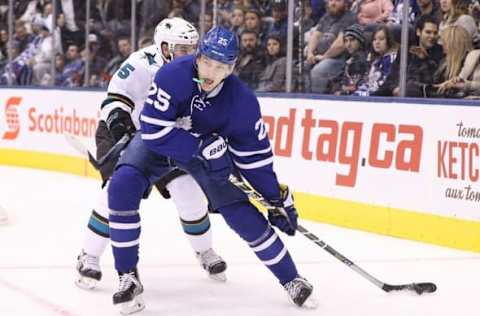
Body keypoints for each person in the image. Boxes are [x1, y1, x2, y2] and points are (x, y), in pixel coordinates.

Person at [107, 25, 317, 314]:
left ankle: (292, 279)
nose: (209, 72)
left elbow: (255, 160)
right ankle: (128, 276)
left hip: (207, 155)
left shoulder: (241, 103)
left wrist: (274, 197)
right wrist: (197, 146)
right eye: (206, 62)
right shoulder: (172, 75)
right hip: (164, 145)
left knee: (240, 211)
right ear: (198, 57)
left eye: (219, 66)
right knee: (122, 185)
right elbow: (153, 131)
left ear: (231, 68)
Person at [75, 17, 227, 291]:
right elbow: (115, 99)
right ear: (164, 46)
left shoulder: (200, 71)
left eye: (193, 47)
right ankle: (89, 256)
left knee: (188, 191)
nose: (189, 54)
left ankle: (205, 251)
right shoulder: (140, 64)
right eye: (183, 48)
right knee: (115, 194)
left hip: (166, 138)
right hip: (123, 132)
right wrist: (121, 124)